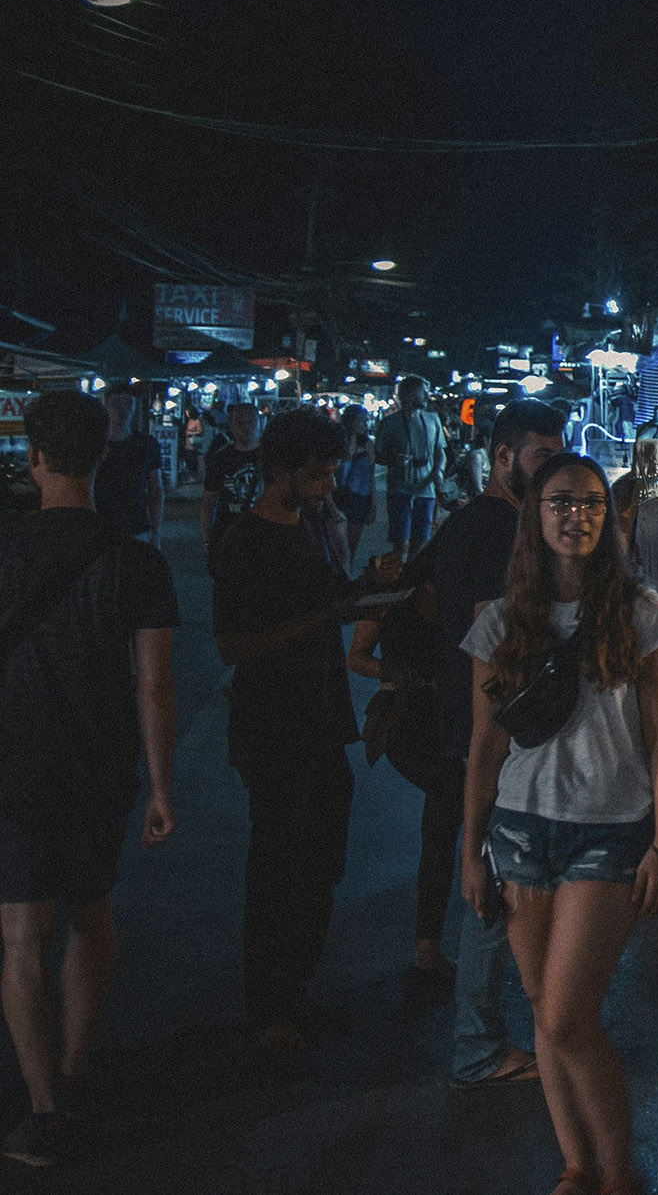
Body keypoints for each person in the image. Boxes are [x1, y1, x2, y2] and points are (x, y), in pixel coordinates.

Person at [460, 452, 658, 1195]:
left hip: (607, 832)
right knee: (540, 1009)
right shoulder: (499, 621)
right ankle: (577, 1163)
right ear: (535, 516)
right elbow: (485, 746)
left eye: (590, 504)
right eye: (560, 503)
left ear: (608, 518)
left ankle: (620, 1172)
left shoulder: (641, 613)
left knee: (566, 1018)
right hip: (519, 831)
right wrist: (469, 849)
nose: (576, 516)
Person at [0, 393, 180, 1168]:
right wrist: (162, 787)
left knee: (19, 933)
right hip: (99, 762)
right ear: (104, 457)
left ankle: (44, 1110)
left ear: (35, 460)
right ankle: (74, 1069)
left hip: (13, 764)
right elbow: (155, 686)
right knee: (90, 915)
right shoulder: (136, 558)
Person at [209, 407, 398, 1054]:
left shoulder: (315, 525)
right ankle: (270, 1007)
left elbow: (331, 604)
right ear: (280, 471)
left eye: (332, 473)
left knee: (319, 862)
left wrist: (367, 588)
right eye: (316, 475)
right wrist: (324, 615)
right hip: (272, 728)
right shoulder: (246, 540)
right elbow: (233, 642)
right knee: (277, 869)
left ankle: (295, 988)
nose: (327, 486)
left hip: (320, 722)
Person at [388, 398, 561, 1076]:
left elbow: (422, 592)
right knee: (494, 878)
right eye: (541, 456)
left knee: (493, 867)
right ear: (501, 458)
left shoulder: (472, 522)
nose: (552, 470)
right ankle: (480, 1042)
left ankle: (484, 1031)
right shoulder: (496, 531)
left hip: (476, 719)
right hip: (492, 725)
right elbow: (497, 634)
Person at [376, 377, 447, 562]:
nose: (426, 396)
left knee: (421, 540)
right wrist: (393, 460)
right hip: (400, 490)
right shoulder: (390, 423)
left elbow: (440, 451)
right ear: (409, 394)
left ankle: (409, 577)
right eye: (422, 392)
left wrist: (437, 473)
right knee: (401, 542)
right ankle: (397, 577)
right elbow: (377, 455)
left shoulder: (432, 419)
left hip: (426, 489)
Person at [91, 384, 163, 547]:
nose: (122, 409)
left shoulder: (146, 445)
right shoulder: (93, 445)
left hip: (136, 527)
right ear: (106, 406)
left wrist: (156, 531)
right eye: (116, 404)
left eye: (127, 404)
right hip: (100, 529)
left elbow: (155, 489)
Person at [199, 402, 262, 571]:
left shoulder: (272, 457)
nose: (247, 426)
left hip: (264, 537)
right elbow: (208, 503)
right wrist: (207, 540)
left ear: (259, 422)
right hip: (228, 537)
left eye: (251, 421)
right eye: (240, 422)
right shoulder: (221, 459)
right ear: (231, 425)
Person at [334, 406, 376, 556]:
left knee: (350, 548)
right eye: (361, 421)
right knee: (336, 547)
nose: (366, 424)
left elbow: (371, 476)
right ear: (350, 421)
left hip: (359, 498)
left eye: (367, 420)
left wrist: (372, 504)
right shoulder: (337, 443)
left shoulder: (367, 445)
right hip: (337, 497)